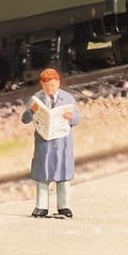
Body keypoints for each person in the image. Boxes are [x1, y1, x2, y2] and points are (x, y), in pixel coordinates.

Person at [26, 67, 79, 219]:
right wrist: (31, 111)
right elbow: (25, 119)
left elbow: (78, 119)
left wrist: (71, 117)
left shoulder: (67, 98)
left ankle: (64, 206)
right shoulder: (36, 99)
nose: (50, 89)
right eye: (46, 86)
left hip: (62, 142)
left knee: (63, 175)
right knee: (43, 176)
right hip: (44, 143)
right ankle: (41, 206)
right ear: (41, 85)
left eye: (53, 85)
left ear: (58, 83)